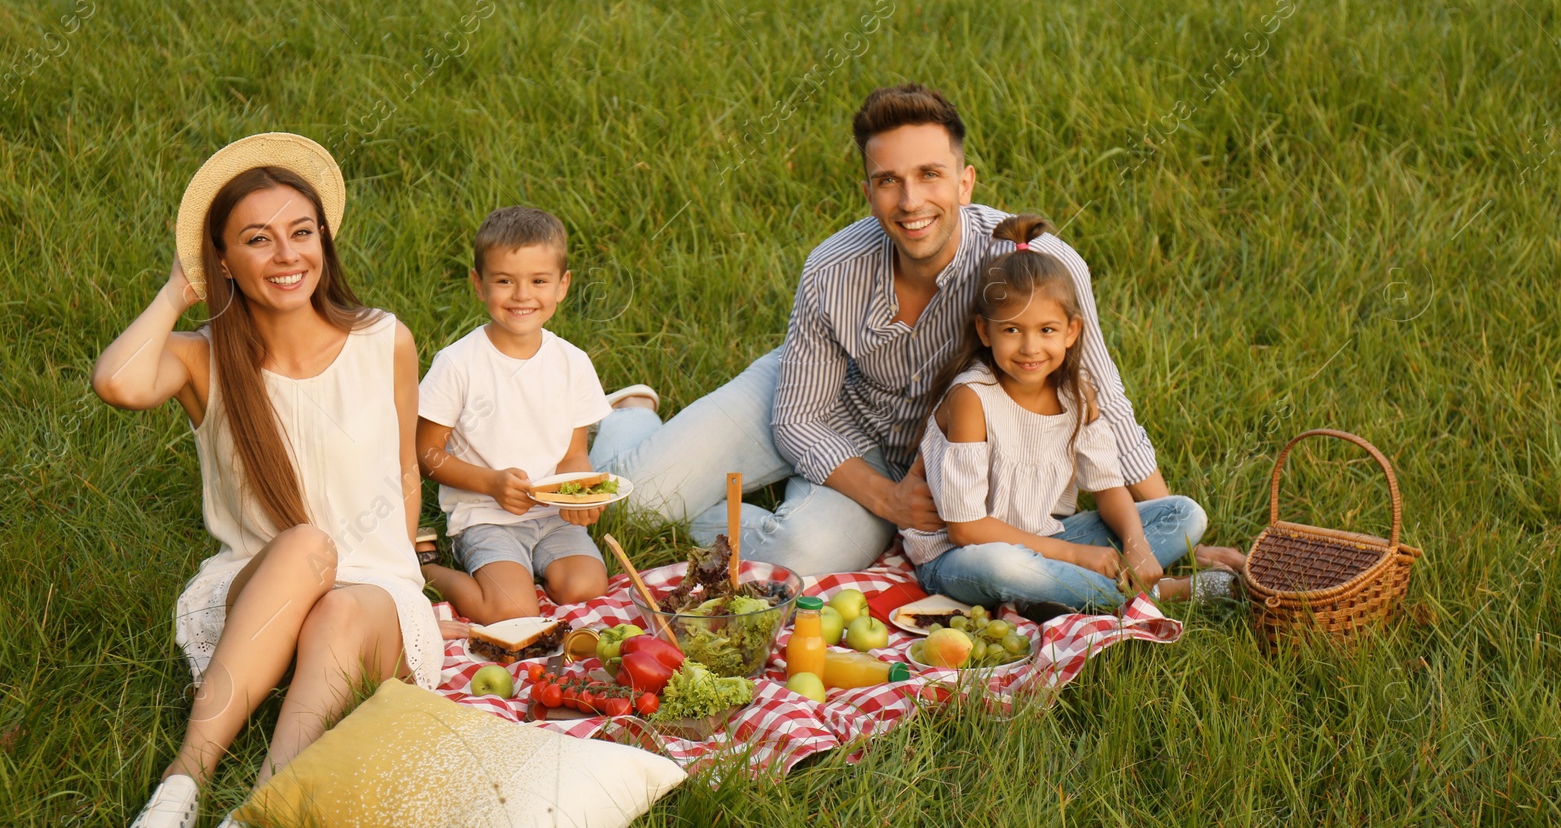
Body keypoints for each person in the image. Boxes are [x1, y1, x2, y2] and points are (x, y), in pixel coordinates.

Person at [590, 83, 1241, 576]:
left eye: (930, 175)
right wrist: (890, 502)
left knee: (802, 553)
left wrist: (1167, 533)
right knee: (636, 505)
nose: (910, 202)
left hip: (917, 454)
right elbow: (796, 418)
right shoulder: (832, 268)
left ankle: (730, 511)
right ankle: (628, 413)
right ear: (868, 189)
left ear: (965, 181)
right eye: (888, 181)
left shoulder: (1033, 266)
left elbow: (1103, 402)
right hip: (816, 400)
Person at [92, 133, 445, 828]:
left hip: (375, 602)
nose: (286, 255)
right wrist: (178, 288)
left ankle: (256, 814)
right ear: (221, 259)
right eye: (256, 239)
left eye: (301, 232)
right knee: (307, 547)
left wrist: (408, 567)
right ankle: (180, 788)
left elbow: (406, 467)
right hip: (258, 590)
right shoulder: (202, 357)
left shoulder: (385, 339)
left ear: (324, 239)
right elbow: (117, 382)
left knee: (344, 601)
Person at [905, 214, 1236, 612]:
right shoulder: (972, 398)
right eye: (1012, 330)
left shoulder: (1076, 393)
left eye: (1046, 330)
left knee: (1184, 514)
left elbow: (1110, 488)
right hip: (960, 559)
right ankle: (1157, 592)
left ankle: (1055, 592)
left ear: (1072, 331)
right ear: (984, 331)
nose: (1030, 347)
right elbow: (965, 528)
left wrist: (1136, 544)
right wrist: (1074, 555)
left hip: (1048, 537)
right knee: (1004, 564)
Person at [414, 207, 615, 620]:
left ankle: (530, 568)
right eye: (505, 281)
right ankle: (426, 567)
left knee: (587, 586)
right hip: (485, 515)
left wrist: (582, 493)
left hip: (552, 516)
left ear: (562, 286)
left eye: (539, 281)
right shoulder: (459, 364)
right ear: (478, 284)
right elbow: (425, 453)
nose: (522, 295)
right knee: (511, 610)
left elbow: (573, 454)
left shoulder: (572, 363)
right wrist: (490, 483)